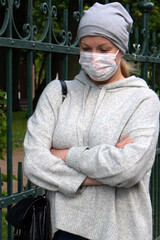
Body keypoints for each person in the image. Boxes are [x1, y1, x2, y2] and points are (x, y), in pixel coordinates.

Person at [24, 2, 160, 240]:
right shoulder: (58, 93)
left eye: (104, 49)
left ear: (120, 50)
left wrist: (66, 155)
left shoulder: (143, 100)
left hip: (121, 231)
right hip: (62, 229)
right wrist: (97, 176)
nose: (94, 57)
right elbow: (34, 162)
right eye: (87, 48)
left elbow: (128, 169)